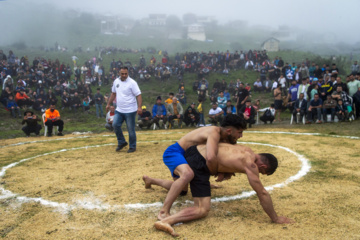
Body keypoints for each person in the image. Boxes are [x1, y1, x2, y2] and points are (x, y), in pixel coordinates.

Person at [154, 143, 294, 237]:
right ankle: (166, 221)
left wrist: (223, 172)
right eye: (262, 172)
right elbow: (262, 192)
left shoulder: (245, 149)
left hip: (193, 152)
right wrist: (275, 218)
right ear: (263, 166)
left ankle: (150, 180)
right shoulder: (250, 164)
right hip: (199, 164)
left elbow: (223, 157)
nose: (259, 173)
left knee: (183, 189)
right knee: (202, 209)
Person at [143, 114, 247, 221]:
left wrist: (225, 173)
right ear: (229, 131)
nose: (241, 136)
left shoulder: (225, 138)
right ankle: (164, 211)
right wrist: (212, 175)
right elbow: (210, 158)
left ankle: (150, 180)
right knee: (187, 174)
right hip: (175, 152)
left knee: (183, 190)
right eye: (240, 132)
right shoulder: (214, 132)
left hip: (188, 156)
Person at [106, 67, 142, 153]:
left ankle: (132, 146)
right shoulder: (116, 81)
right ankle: (122, 142)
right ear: (119, 73)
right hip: (119, 109)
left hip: (130, 110)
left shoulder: (132, 83)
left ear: (128, 73)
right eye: (122, 74)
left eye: (126, 73)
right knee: (115, 124)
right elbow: (113, 93)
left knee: (130, 129)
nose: (124, 75)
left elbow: (139, 95)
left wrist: (139, 107)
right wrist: (108, 103)